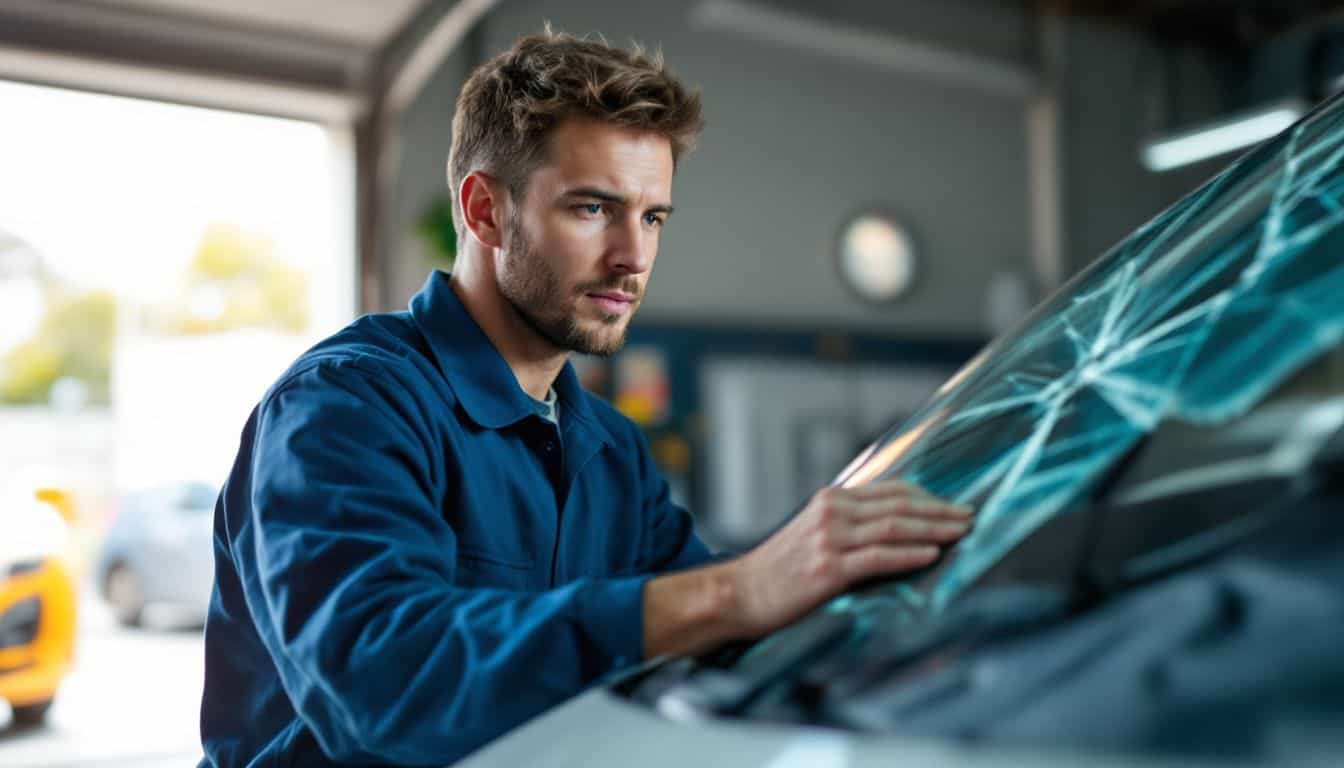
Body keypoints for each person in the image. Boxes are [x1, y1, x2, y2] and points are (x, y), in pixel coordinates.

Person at [198, 29, 973, 767]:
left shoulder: (606, 447)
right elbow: (379, 680)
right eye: (592, 208)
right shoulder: (347, 405)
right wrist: (736, 590)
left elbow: (722, 633)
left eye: (653, 216)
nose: (633, 257)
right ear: (484, 210)